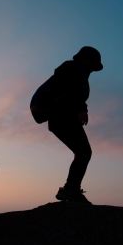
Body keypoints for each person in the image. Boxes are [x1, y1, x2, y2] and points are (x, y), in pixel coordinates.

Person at [42, 46, 103, 204]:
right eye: (92, 65)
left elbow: (75, 94)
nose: (92, 70)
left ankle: (71, 189)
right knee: (84, 152)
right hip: (61, 117)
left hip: (64, 118)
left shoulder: (79, 73)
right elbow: (68, 91)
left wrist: (82, 109)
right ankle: (71, 190)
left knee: (83, 152)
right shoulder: (71, 68)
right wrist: (81, 109)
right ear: (85, 60)